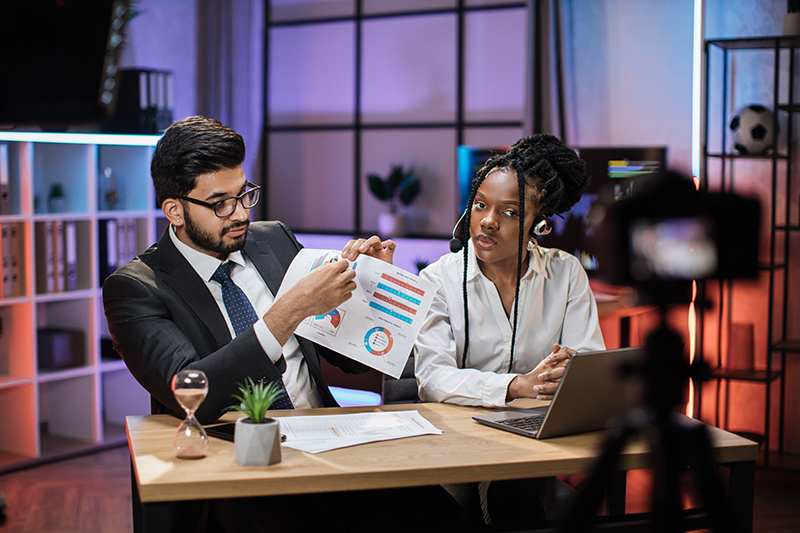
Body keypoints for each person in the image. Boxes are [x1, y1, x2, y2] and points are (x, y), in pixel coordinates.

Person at [103, 116, 459, 532]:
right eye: (220, 204)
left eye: (244, 195)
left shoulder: (273, 240)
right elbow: (191, 391)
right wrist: (289, 311)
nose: (240, 214)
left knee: (439, 511)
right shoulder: (136, 288)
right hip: (240, 466)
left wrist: (371, 289)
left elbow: (348, 360)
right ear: (174, 210)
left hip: (331, 439)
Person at [414, 133, 606, 527]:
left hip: (532, 444)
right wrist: (517, 385)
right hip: (456, 440)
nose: (488, 221)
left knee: (514, 493)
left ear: (539, 225)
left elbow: (590, 365)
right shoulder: (437, 279)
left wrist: (570, 371)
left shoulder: (566, 274)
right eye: (480, 205)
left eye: (510, 212)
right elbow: (432, 378)